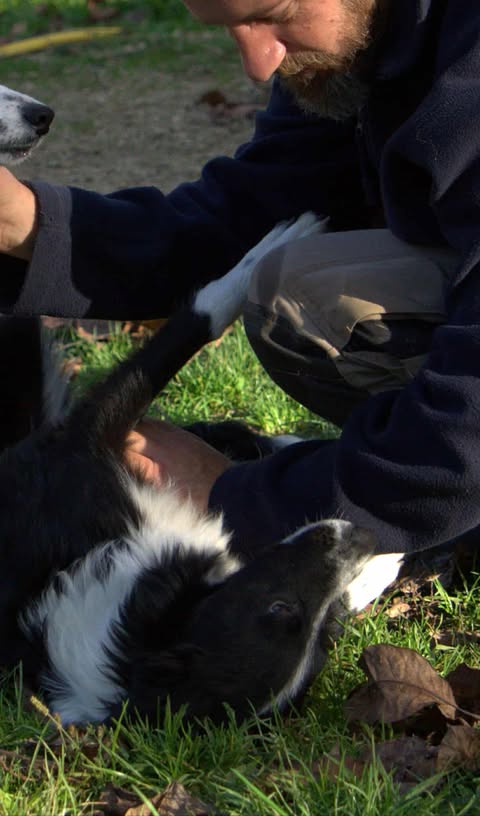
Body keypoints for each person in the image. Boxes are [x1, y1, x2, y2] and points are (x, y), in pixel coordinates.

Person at [1, 0, 480, 557]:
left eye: (274, 12)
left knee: (306, 295)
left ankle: (439, 510)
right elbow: (245, 218)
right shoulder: (351, 39)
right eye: (231, 27)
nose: (258, 63)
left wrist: (239, 498)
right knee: (289, 274)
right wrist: (26, 225)